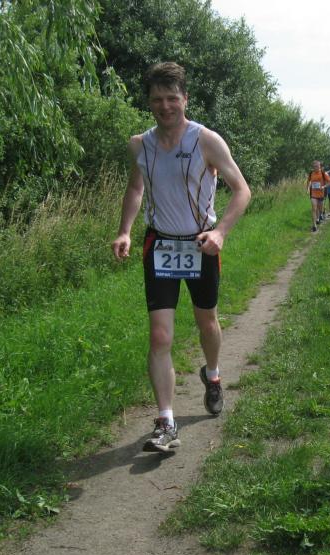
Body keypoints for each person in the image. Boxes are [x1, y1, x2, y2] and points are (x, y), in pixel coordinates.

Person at [111, 62, 251, 452]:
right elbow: (136, 188)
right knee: (160, 335)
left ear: (185, 99)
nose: (165, 106)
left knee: (207, 322)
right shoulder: (140, 144)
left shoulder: (206, 140)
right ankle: (165, 422)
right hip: (159, 245)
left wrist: (220, 233)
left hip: (201, 244)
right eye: (158, 99)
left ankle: (213, 374)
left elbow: (242, 190)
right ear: (149, 102)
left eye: (172, 98)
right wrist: (125, 230)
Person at [307, 160, 330, 232]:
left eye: (317, 166)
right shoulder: (311, 173)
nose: (316, 168)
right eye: (314, 166)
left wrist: (323, 186)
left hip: (321, 194)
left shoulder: (324, 173)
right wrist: (308, 189)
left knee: (320, 209)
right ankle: (314, 225)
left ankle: (320, 215)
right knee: (314, 209)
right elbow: (308, 181)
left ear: (320, 166)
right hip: (313, 194)